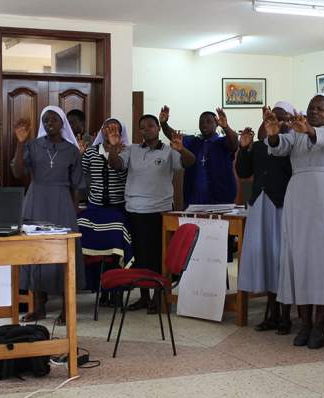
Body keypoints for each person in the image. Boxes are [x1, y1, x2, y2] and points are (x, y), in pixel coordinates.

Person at [265, 94, 324, 349]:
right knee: (299, 259)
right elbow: (279, 147)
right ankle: (304, 324)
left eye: (319, 108)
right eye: (311, 107)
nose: (313, 111)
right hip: (299, 199)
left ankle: (319, 326)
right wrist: (272, 133)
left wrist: (309, 129)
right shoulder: (297, 131)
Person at [107, 114, 195, 313]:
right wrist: (113, 147)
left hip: (159, 211)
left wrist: (181, 149)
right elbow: (116, 165)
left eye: (151, 125)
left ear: (157, 128)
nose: (147, 129)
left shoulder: (168, 150)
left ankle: (158, 297)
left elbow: (190, 162)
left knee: (158, 256)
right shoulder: (132, 149)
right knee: (139, 256)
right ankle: (144, 297)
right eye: (143, 127)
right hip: (134, 210)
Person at [12, 106, 85, 324]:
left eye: (53, 119)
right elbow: (17, 172)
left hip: (62, 202)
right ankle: (39, 308)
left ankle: (66, 309)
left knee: (63, 253)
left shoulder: (72, 150)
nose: (49, 123)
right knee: (35, 254)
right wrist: (20, 142)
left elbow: (77, 185)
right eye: (45, 120)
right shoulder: (32, 145)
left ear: (62, 123)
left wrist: (73, 212)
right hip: (35, 201)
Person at [236, 102, 295, 334]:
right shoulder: (258, 146)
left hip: (282, 205)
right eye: (272, 117)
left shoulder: (293, 145)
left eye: (281, 118)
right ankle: (270, 313)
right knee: (267, 259)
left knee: (281, 260)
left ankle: (285, 316)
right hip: (260, 205)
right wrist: (243, 148)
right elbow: (243, 172)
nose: (275, 122)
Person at [76, 118, 133, 306]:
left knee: (115, 252)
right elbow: (79, 176)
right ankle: (99, 288)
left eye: (116, 127)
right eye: (108, 127)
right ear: (102, 130)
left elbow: (122, 171)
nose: (111, 130)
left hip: (117, 209)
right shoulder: (92, 151)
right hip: (95, 208)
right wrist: (79, 155)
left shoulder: (126, 151)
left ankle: (116, 291)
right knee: (93, 250)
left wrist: (115, 148)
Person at [159, 105, 238, 207]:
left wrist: (226, 127)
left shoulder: (222, 142)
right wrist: (164, 123)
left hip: (220, 198)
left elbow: (234, 142)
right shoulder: (193, 141)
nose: (204, 124)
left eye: (208, 121)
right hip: (194, 198)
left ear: (216, 124)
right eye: (201, 122)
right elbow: (174, 136)